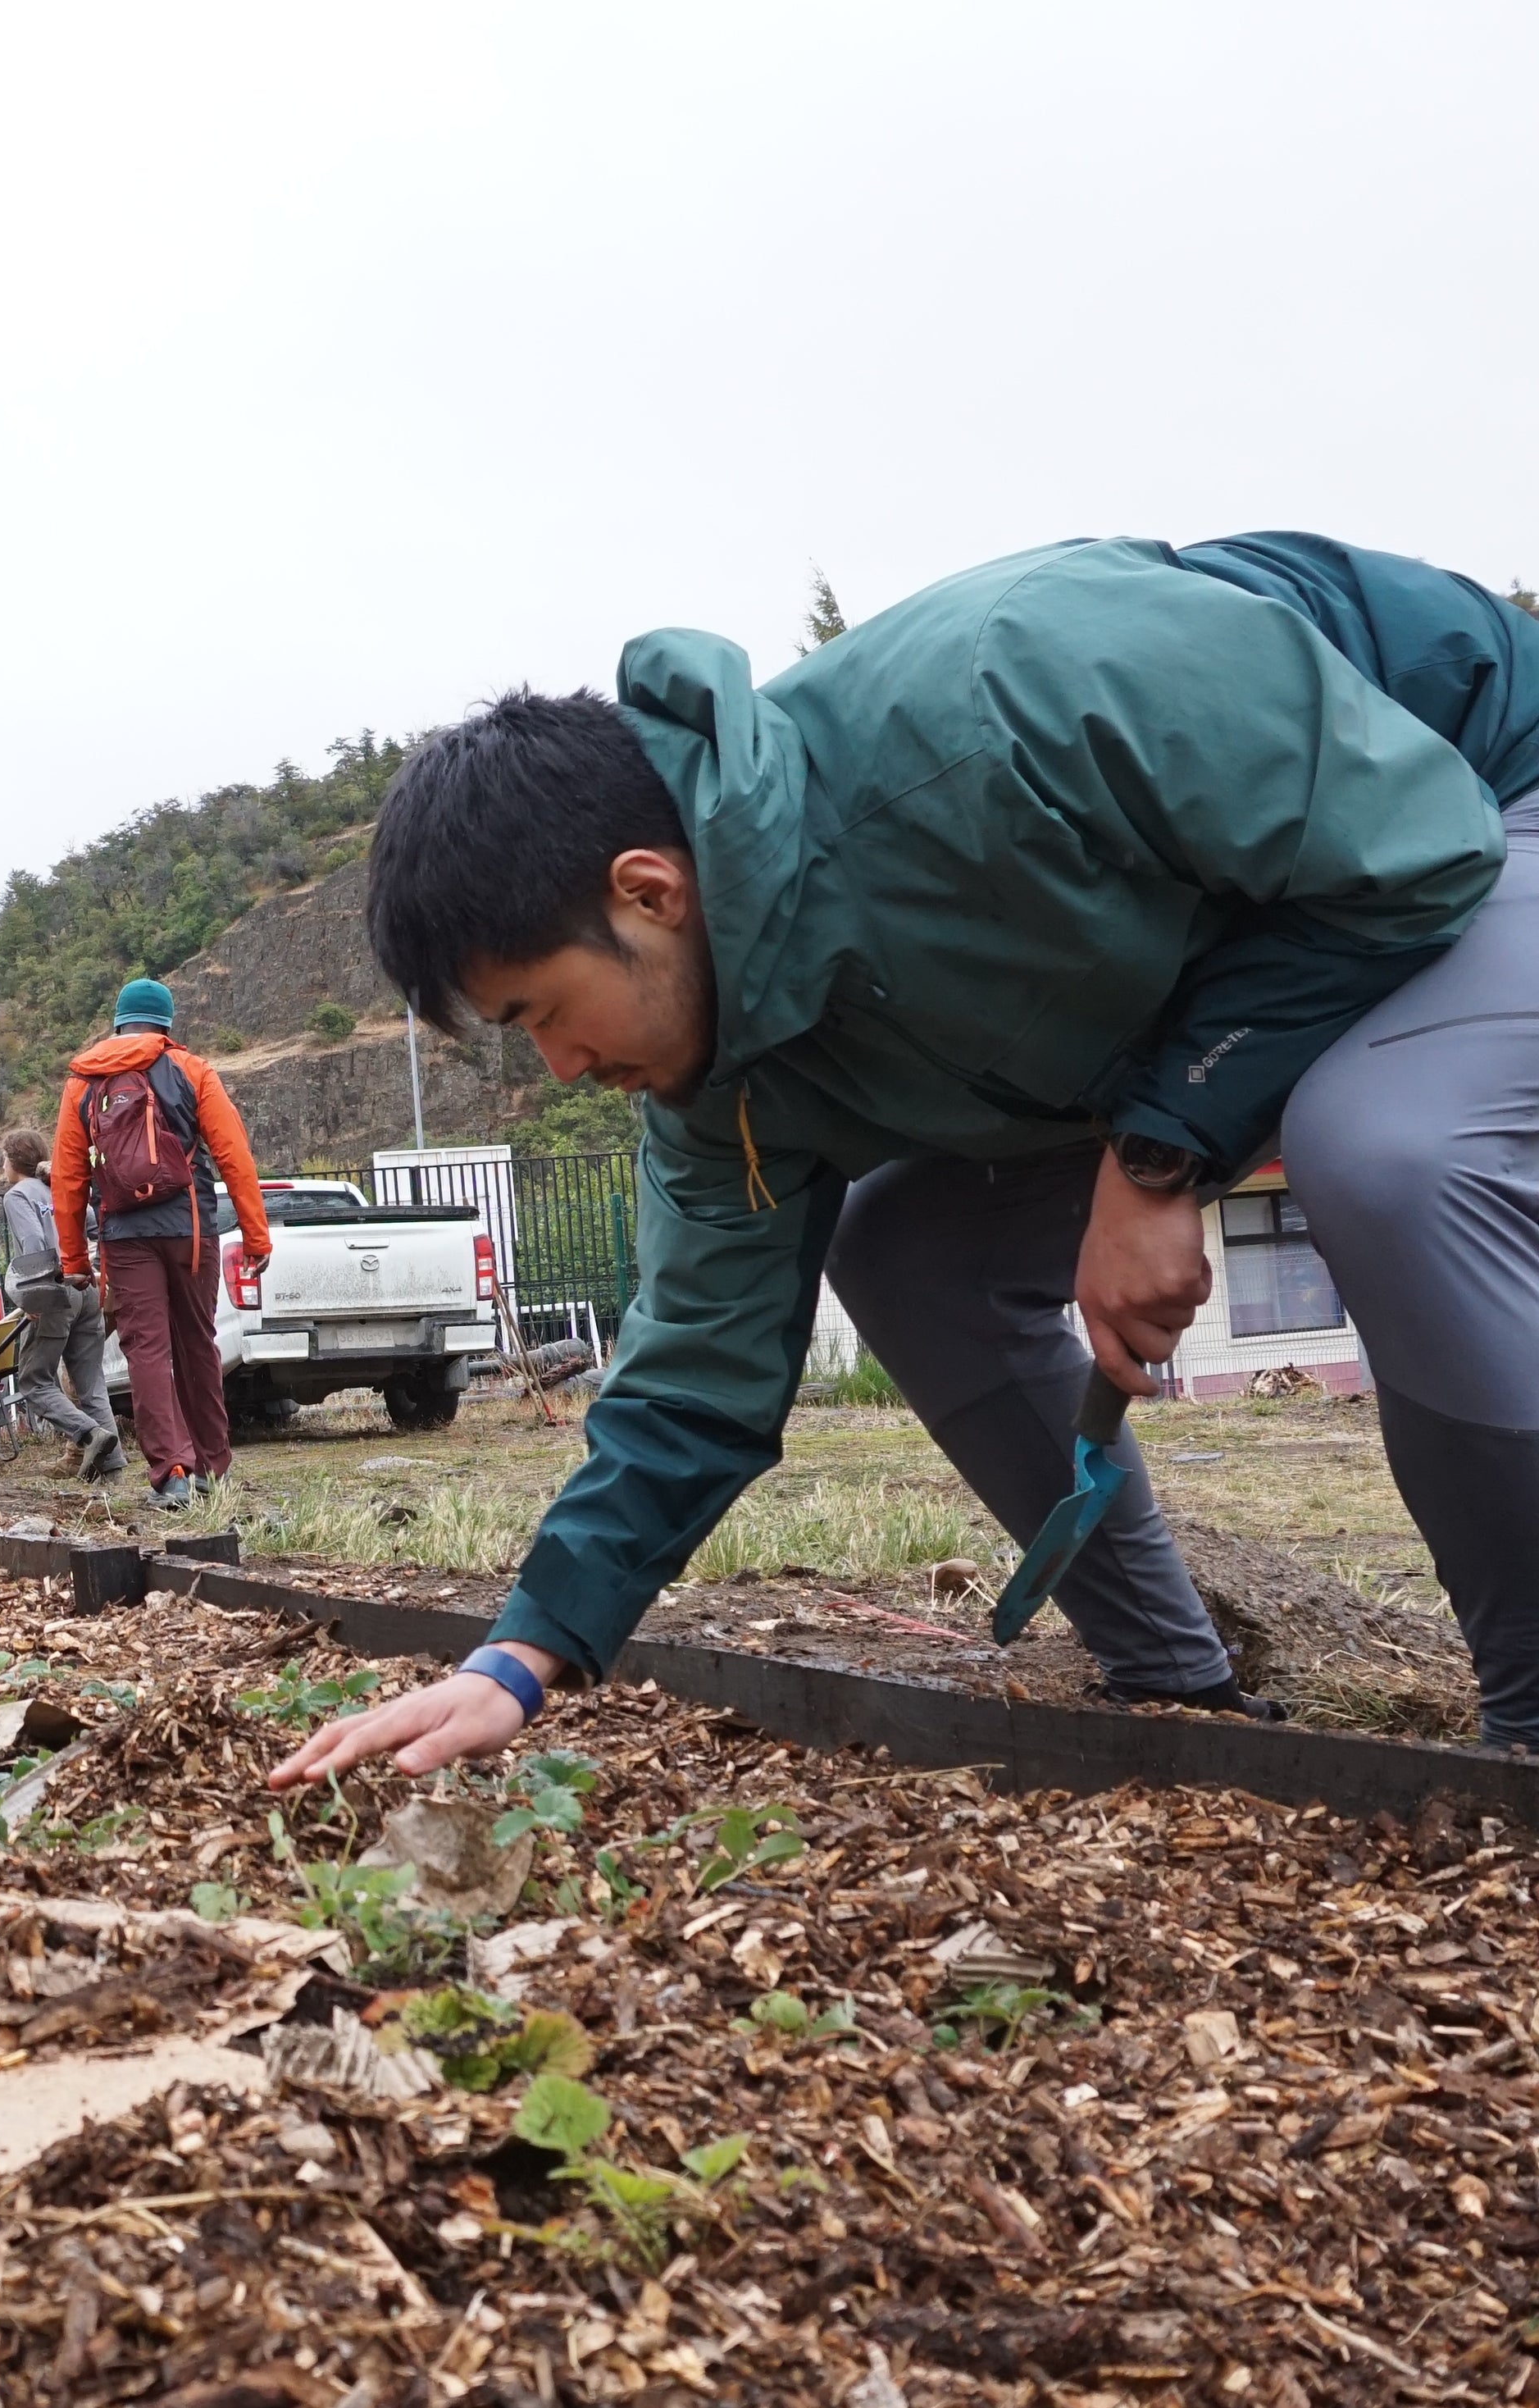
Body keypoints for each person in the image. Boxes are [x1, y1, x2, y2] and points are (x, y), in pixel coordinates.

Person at [271, 531, 1539, 1798]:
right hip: (1207, 968)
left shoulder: (1016, 691)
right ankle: (1170, 1687)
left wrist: (1160, 1157)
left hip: (1470, 789)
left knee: (1388, 1151)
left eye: (539, 1011)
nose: (555, 1067)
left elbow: (1411, 850)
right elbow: (695, 1376)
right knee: (911, 1255)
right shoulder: (722, 1086)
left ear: (648, 892)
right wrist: (520, 1656)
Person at [49, 974, 271, 1513]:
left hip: (126, 1237)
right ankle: (212, 1470)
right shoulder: (192, 1070)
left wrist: (74, 1258)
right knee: (198, 1343)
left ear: (119, 1022)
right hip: (190, 1231)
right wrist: (257, 1235)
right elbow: (234, 1157)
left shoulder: (84, 1080)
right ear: (168, 1024)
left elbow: (68, 1178)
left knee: (146, 1348)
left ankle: (171, 1473)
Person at [0, 1124, 121, 1477]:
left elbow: (34, 1244)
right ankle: (113, 1471)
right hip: (87, 1288)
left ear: (12, 1161)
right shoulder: (59, 1187)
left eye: (4, 1159)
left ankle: (87, 1434)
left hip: (55, 1291)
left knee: (35, 1381)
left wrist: (35, 1296)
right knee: (92, 1383)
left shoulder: (18, 1195)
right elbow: (96, 1227)